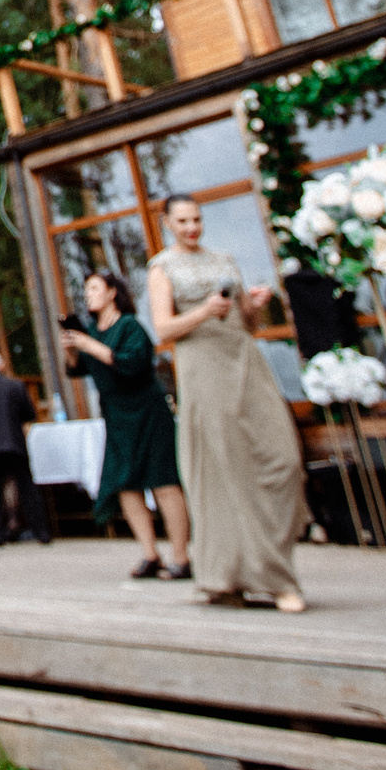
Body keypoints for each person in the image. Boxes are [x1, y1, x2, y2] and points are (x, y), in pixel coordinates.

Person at [149, 197, 308, 610]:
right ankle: (253, 578)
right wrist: (202, 312)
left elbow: (249, 323)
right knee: (225, 470)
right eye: (182, 221)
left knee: (283, 459)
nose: (192, 227)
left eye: (197, 219)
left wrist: (254, 305)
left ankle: (269, 563)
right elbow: (163, 328)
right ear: (167, 223)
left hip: (243, 359)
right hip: (202, 368)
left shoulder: (224, 259)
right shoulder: (162, 267)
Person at [61, 269, 191, 581]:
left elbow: (133, 363)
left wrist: (91, 346)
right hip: (116, 414)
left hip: (145, 409)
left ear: (111, 293)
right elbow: (78, 371)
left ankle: (181, 555)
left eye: (94, 288)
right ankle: (150, 553)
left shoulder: (130, 325)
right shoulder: (93, 330)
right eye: (86, 289)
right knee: (125, 483)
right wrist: (72, 350)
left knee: (162, 479)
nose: (88, 294)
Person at [0, 349, 52, 545]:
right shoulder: (16, 385)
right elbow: (29, 414)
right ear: (2, 365)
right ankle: (42, 532)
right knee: (27, 488)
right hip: (14, 443)